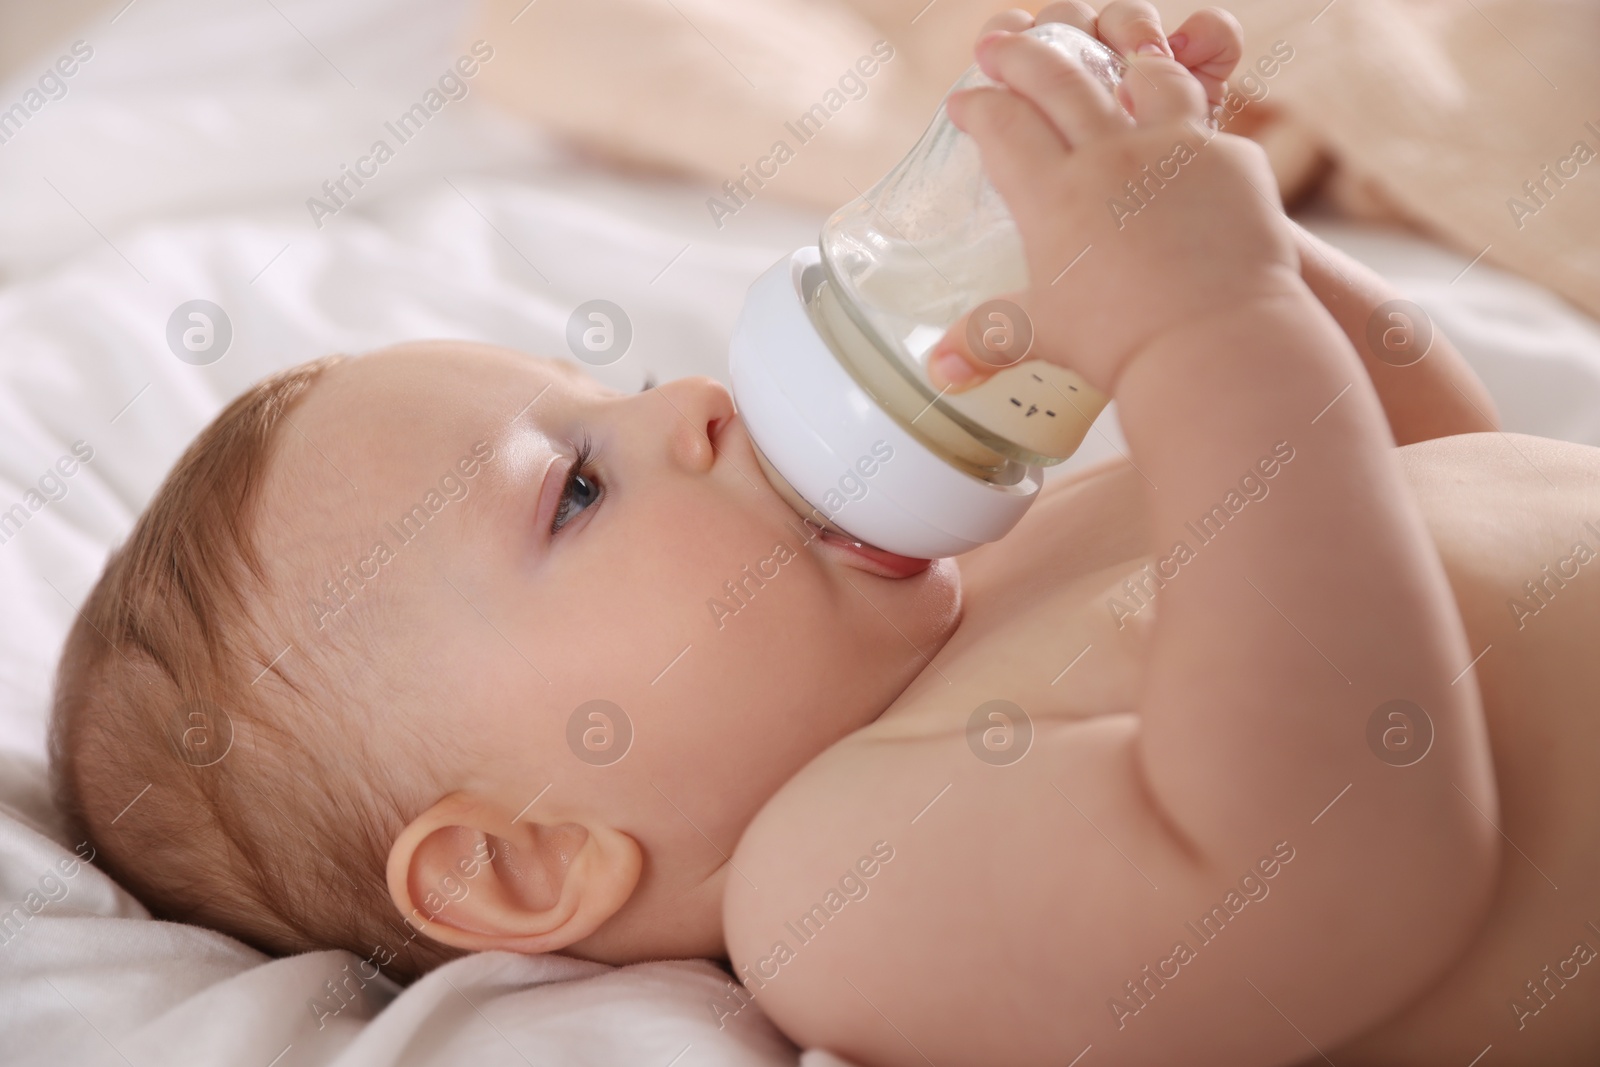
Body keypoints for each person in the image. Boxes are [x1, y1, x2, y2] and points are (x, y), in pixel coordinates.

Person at [50, 3, 1600, 1064]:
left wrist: (1206, 223)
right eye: (576, 488)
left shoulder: (1005, 578)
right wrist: (1218, 334)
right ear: (519, 867)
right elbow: (1340, 860)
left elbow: (1442, 471)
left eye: (633, 388)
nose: (697, 407)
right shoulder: (843, 896)